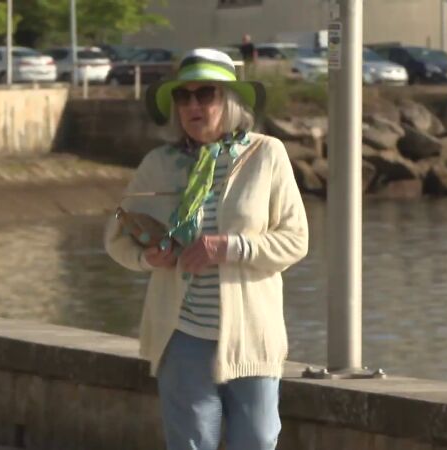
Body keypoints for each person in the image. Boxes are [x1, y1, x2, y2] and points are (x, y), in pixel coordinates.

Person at [104, 48, 309, 450]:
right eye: (183, 96)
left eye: (205, 94)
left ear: (229, 101)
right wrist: (147, 257)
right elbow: (116, 234)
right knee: (191, 443)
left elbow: (296, 240)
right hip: (182, 333)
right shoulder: (159, 163)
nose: (192, 105)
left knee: (258, 440)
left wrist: (230, 247)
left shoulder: (266, 154)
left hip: (252, 333)